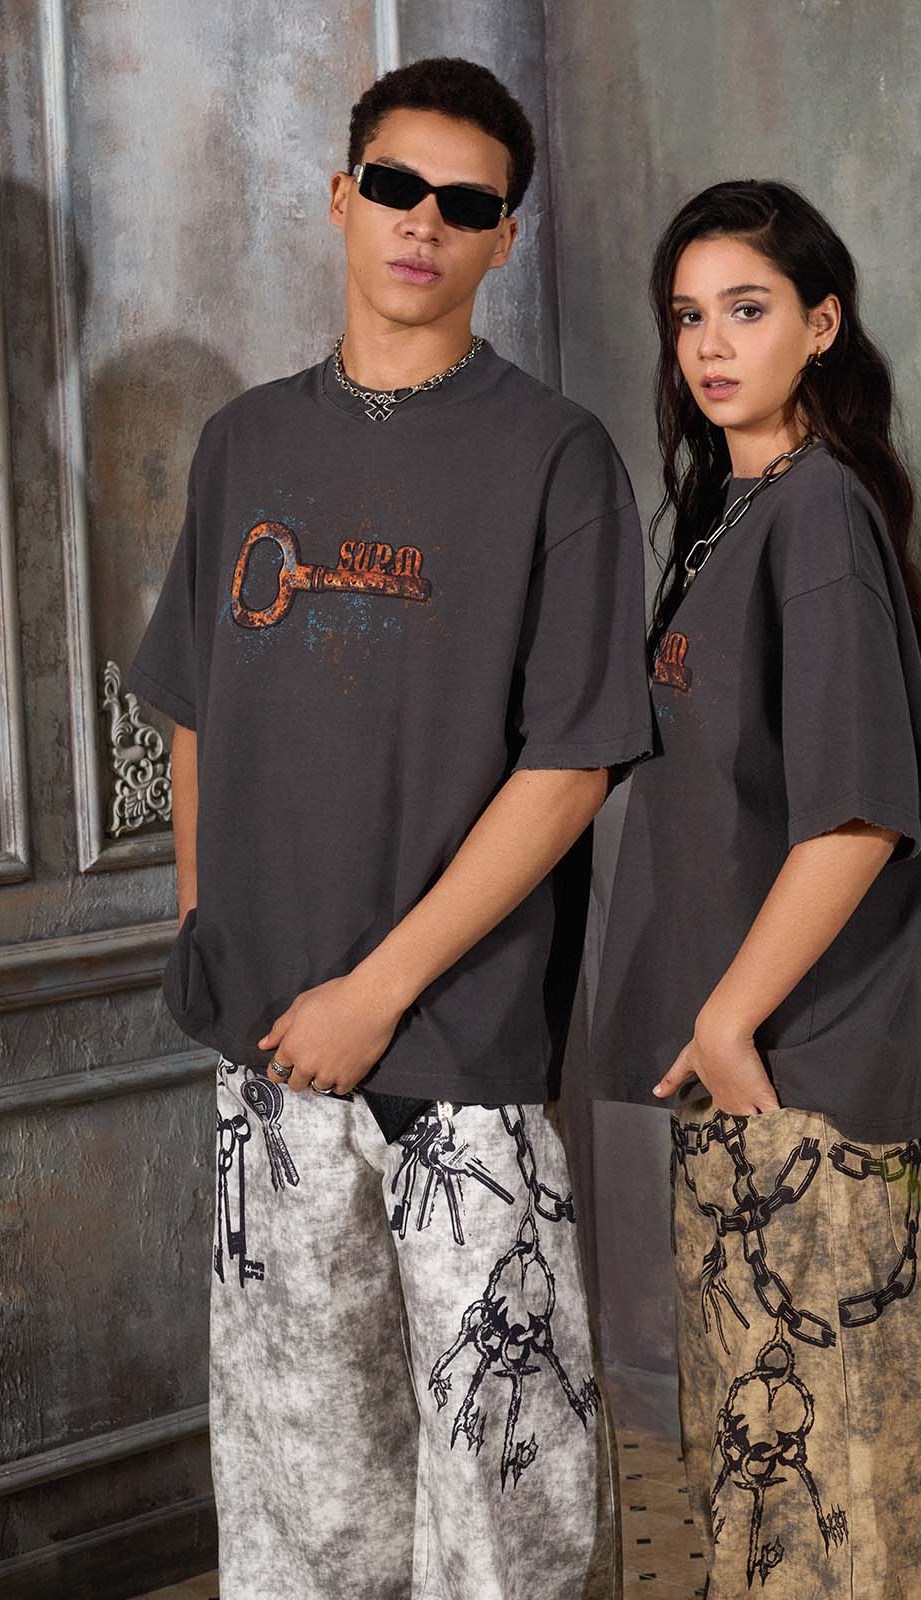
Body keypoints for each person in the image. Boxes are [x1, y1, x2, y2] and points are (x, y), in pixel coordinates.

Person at [128, 56, 651, 1600]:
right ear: (343, 198)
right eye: (399, 187)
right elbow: (196, 708)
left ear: (504, 240)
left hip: (461, 1049)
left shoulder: (556, 457)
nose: (425, 222)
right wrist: (205, 922)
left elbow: (572, 766)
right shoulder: (244, 445)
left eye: (466, 205)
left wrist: (379, 990)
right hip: (270, 1040)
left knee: (506, 1495)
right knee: (302, 1486)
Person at [589, 180, 921, 1598]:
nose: (710, 344)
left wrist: (731, 1021)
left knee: (834, 1507)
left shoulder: (815, 518)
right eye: (689, 316)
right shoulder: (725, 512)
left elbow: (858, 816)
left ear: (822, 324)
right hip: (743, 1067)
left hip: (798, 1077)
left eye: (747, 310)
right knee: (768, 1508)